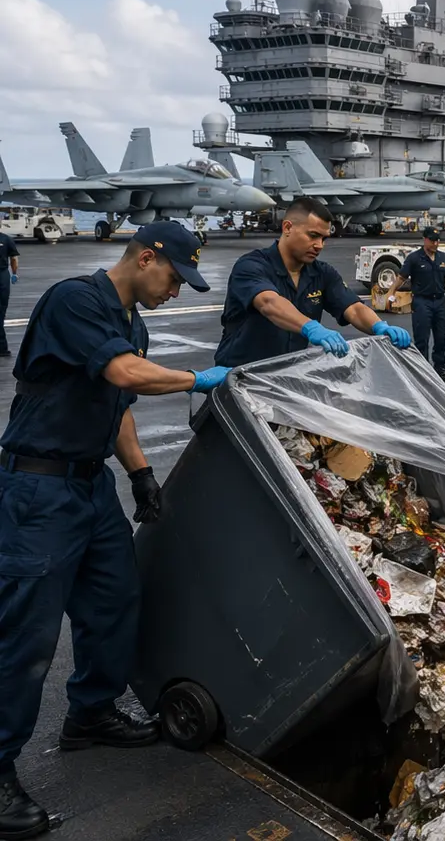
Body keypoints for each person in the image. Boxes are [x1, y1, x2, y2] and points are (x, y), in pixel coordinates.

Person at [0, 221, 230, 836]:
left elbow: (117, 406)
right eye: (174, 278)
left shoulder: (134, 325)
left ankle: (92, 712)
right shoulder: (75, 300)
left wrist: (141, 474)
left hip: (90, 483)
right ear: (146, 256)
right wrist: (202, 378)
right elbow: (125, 376)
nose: (178, 291)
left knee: (114, 598)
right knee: (28, 634)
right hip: (40, 487)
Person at [215, 197, 411, 366]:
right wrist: (311, 327)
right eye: (313, 236)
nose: (319, 245)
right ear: (288, 227)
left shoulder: (322, 273)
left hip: (285, 380)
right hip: (239, 379)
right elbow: (269, 303)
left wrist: (380, 327)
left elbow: (353, 308)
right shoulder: (251, 266)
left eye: (324, 239)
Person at [388, 226, 445, 380]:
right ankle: (423, 370)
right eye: (432, 240)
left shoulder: (444, 258)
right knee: (422, 338)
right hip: (421, 302)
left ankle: (440, 368)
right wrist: (391, 293)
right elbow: (401, 277)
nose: (436, 243)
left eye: (438, 240)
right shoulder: (414, 258)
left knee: (441, 337)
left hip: (440, 301)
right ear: (425, 239)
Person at [0, 230, 17, 359]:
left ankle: (2, 347)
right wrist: (14, 273)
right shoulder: (6, 239)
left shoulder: (6, 239)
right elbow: (14, 258)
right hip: (3, 275)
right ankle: (2, 347)